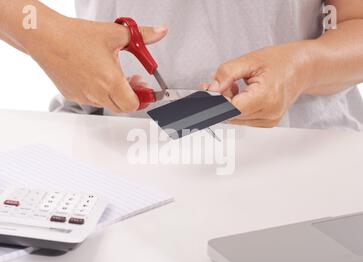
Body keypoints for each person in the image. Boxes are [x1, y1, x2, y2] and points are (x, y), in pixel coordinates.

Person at [0, 0, 363, 130]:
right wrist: (47, 35)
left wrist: (301, 68)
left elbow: (355, 20)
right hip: (111, 145)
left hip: (302, 149)